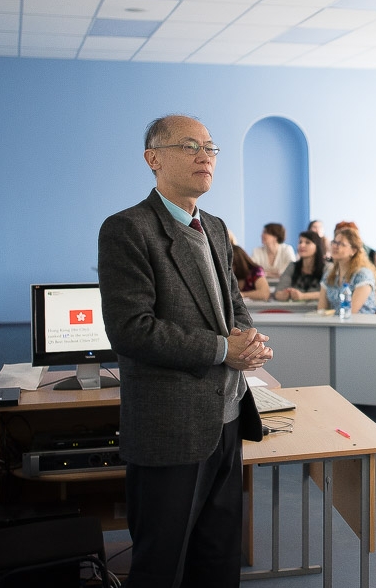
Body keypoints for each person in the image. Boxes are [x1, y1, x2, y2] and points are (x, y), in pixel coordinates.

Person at [97, 114, 271, 588]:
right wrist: (222, 349)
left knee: (218, 558)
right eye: (189, 145)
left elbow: (233, 302)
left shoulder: (213, 226)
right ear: (153, 159)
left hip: (227, 416)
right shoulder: (127, 229)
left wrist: (249, 340)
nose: (205, 156)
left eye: (211, 147)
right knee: (161, 565)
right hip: (171, 424)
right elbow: (132, 330)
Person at [319, 226, 376, 315]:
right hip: (335, 324)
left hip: (360, 325)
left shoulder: (363, 275)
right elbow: (321, 310)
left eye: (341, 244)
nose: (335, 246)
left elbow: (350, 311)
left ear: (353, 250)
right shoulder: (329, 275)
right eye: (334, 242)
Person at [273, 230, 326, 302]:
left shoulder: (327, 267)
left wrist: (303, 296)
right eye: (300, 242)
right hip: (294, 310)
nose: (302, 245)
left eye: (307, 242)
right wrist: (283, 295)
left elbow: (329, 294)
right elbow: (277, 292)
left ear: (317, 247)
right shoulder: (292, 266)